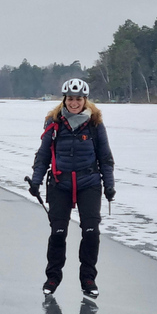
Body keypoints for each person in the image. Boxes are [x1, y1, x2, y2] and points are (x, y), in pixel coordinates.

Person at [28, 79, 116, 297]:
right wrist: (36, 180)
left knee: (91, 232)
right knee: (58, 233)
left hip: (89, 183)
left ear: (84, 100)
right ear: (64, 100)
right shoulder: (54, 122)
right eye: (70, 99)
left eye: (78, 99)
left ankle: (88, 279)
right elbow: (43, 155)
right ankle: (52, 277)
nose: (74, 103)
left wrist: (109, 185)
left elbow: (105, 157)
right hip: (60, 183)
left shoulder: (95, 123)